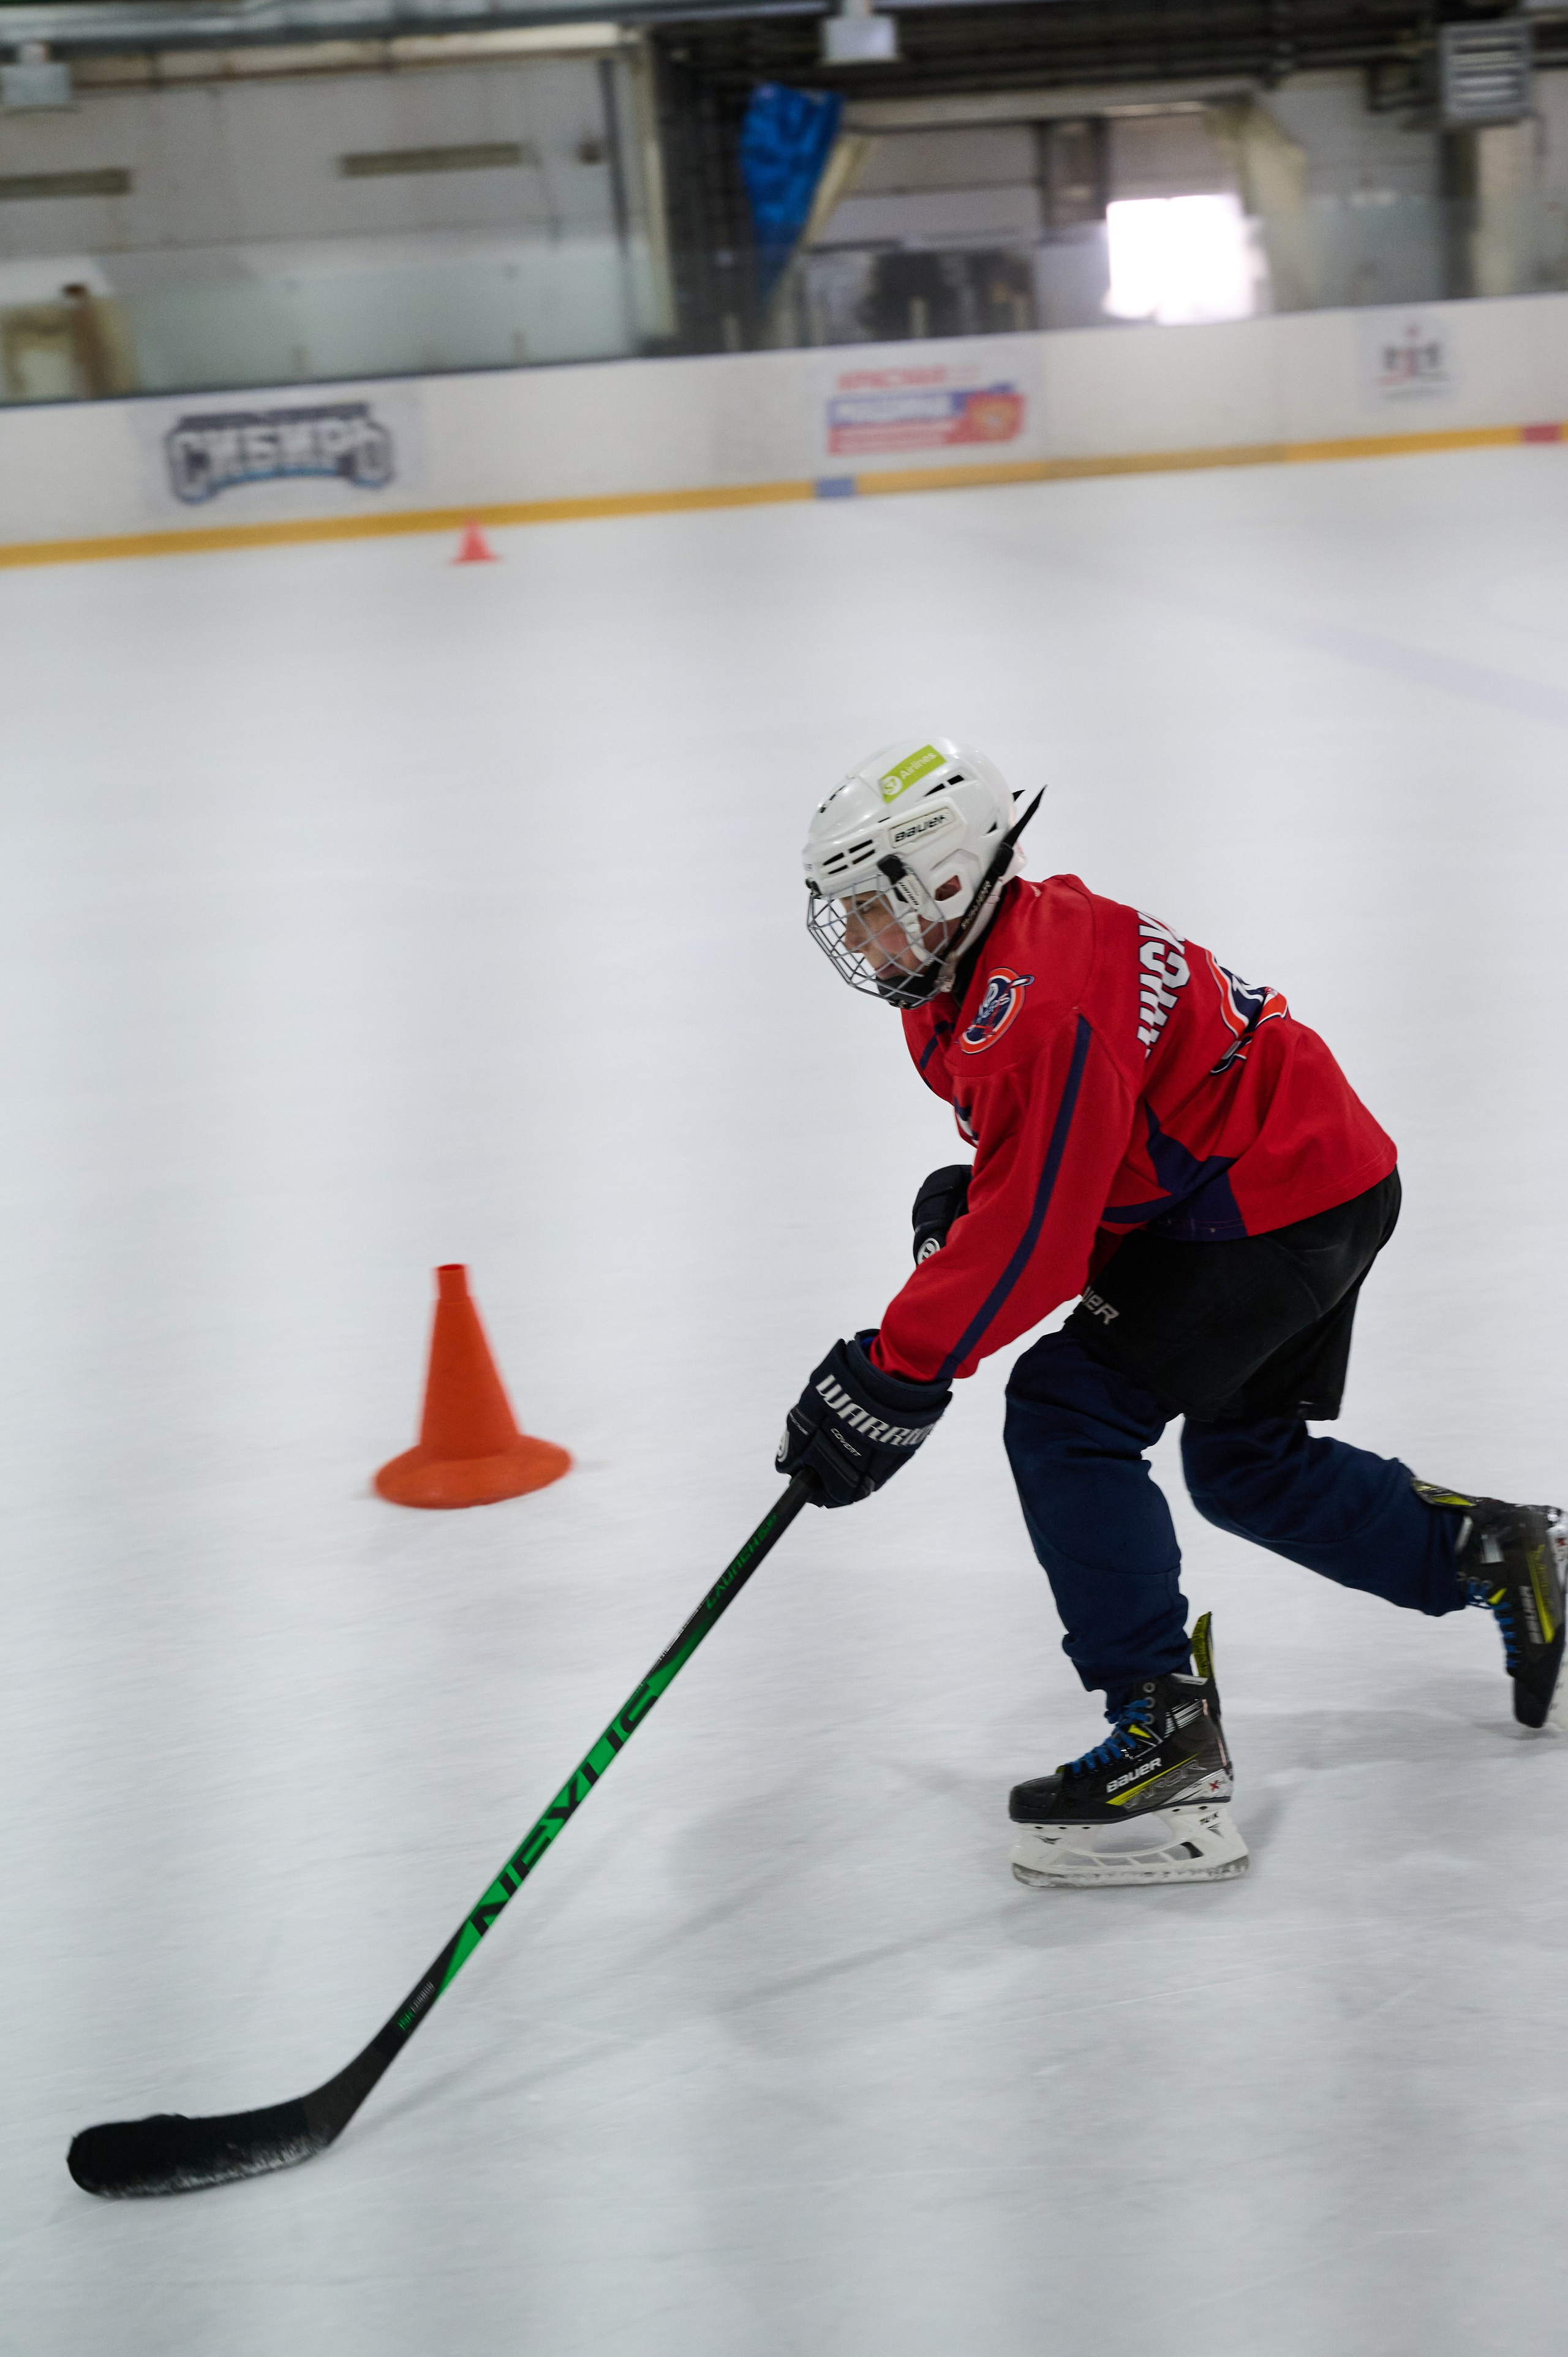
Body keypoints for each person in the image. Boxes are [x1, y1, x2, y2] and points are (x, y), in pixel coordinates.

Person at [776, 736, 1567, 1887]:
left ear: (945, 883)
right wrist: (985, 1190)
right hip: (1298, 1171)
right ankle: (1500, 1552)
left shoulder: (1032, 1005)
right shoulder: (1000, 949)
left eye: (871, 908)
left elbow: (1038, 1244)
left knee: (1065, 1414)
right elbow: (1078, 1152)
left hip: (1270, 1206)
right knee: (1244, 1466)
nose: (856, 936)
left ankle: (1168, 1742)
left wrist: (893, 1373)